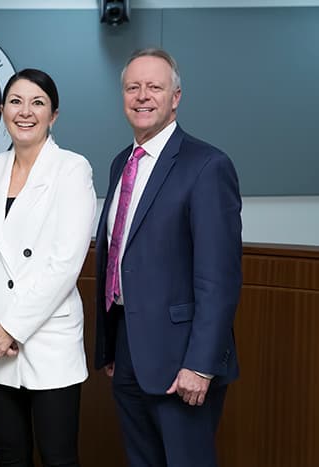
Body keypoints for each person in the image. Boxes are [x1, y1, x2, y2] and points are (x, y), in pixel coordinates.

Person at [93, 48, 242, 467]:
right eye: (133, 87)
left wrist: (201, 364)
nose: (143, 96)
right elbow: (118, 253)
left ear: (176, 97)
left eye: (154, 87)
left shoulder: (207, 165)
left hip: (183, 362)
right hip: (129, 354)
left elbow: (220, 277)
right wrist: (112, 346)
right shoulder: (122, 163)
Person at [0, 68, 97, 467]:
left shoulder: (72, 169)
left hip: (47, 340)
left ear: (53, 115)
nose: (26, 111)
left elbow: (65, 263)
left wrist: (11, 329)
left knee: (57, 456)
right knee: (9, 454)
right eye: (17, 102)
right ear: (2, 110)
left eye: (38, 103)